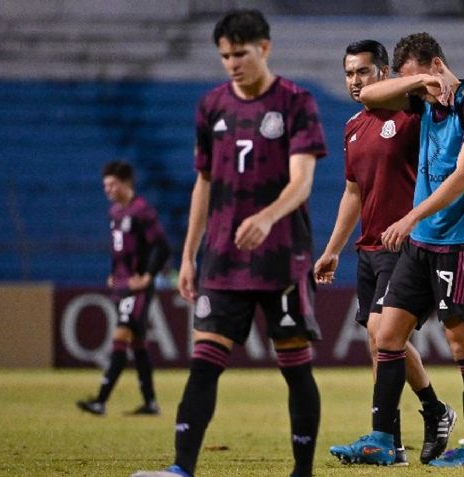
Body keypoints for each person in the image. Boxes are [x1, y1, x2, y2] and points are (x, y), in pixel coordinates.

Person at [131, 9, 326, 477]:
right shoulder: (211, 106)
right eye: (225, 56)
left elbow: (302, 182)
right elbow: (203, 183)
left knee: (294, 366)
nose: (232, 63)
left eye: (240, 53)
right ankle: (181, 468)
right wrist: (188, 255)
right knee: (203, 362)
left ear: (265, 48)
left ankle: (302, 471)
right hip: (222, 257)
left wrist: (267, 217)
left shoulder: (296, 102)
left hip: (282, 256)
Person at [329, 32, 464, 467]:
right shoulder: (423, 102)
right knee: (386, 337)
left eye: (420, 78)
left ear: (437, 64)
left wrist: (410, 217)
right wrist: (416, 83)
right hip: (421, 244)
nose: (418, 92)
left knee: (462, 343)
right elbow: (370, 94)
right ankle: (383, 439)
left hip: (458, 242)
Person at [315, 39, 456, 466]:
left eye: (362, 71)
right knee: (380, 343)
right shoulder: (353, 126)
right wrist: (333, 250)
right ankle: (399, 438)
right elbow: (352, 193)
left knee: (382, 332)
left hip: (407, 244)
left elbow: (437, 90)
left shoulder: (411, 111)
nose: (355, 81)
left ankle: (401, 429)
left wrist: (418, 80)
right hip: (370, 246)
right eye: (348, 73)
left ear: (383, 73)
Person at [77, 161, 170, 417]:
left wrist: (148, 276)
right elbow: (119, 249)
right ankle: (150, 403)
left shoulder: (142, 211)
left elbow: (162, 246)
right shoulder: (115, 212)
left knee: (120, 336)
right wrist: (114, 273)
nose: (107, 189)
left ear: (126, 183)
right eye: (105, 185)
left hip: (135, 289)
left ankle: (100, 400)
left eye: (111, 184)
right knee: (138, 344)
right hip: (121, 285)